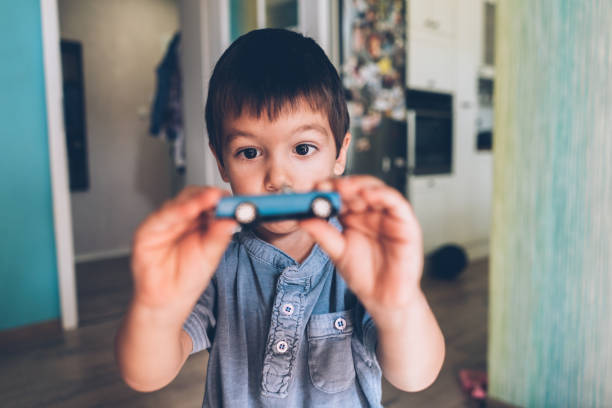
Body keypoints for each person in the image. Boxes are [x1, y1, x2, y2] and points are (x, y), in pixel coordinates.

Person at [115, 28, 445, 407]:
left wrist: (399, 305)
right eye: (250, 152)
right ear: (221, 162)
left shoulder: (359, 260)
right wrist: (156, 308)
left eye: (303, 148)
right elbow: (144, 375)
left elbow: (416, 376)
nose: (277, 178)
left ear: (340, 153)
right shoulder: (211, 262)